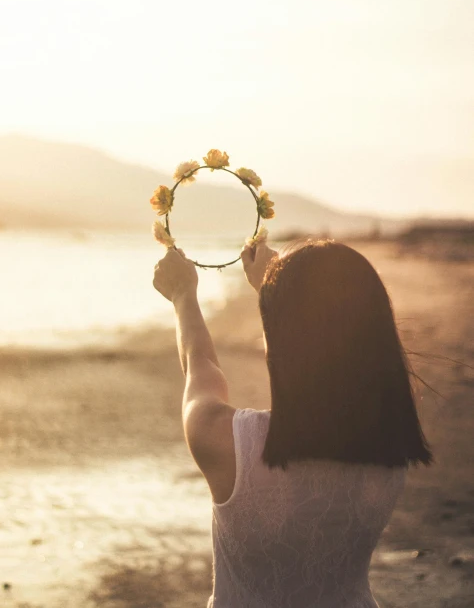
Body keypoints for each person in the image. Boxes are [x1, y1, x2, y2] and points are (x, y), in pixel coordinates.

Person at [152, 238, 432, 608]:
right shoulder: (392, 454)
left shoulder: (229, 445)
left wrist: (183, 295)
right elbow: (328, 351)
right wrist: (274, 291)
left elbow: (200, 365)